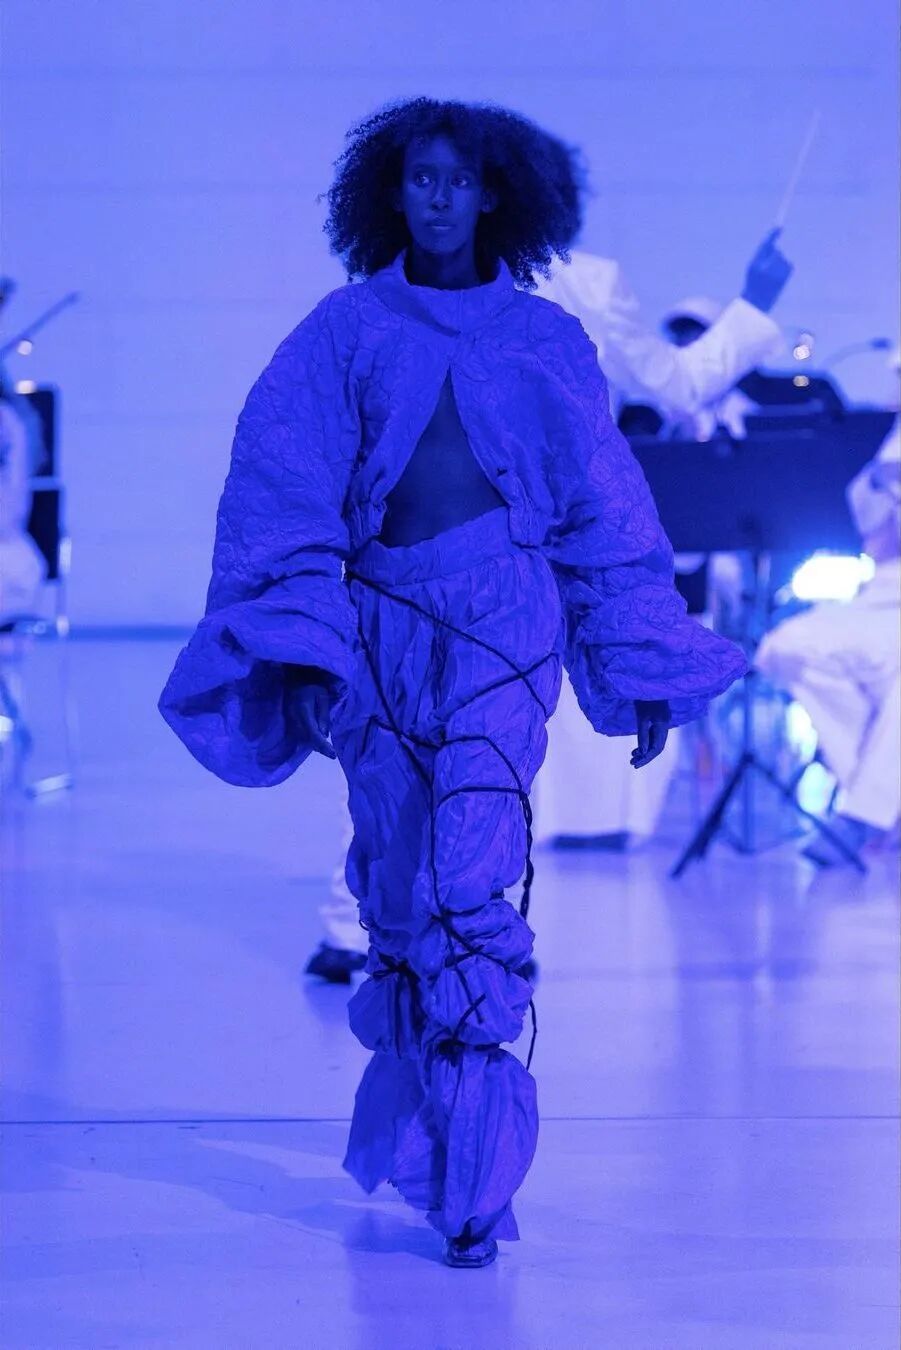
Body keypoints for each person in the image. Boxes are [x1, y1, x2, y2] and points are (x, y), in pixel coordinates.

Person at [158, 97, 747, 1268]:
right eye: (418, 177)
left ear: (492, 196)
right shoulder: (341, 334)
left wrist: (633, 666)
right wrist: (307, 657)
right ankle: (433, 1124)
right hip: (381, 631)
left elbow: (601, 510)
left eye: (457, 179)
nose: (436, 197)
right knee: (398, 893)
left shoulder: (545, 341)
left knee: (473, 874)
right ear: (390, 191)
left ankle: (476, 1175)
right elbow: (284, 497)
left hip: (503, 628)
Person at [309, 213, 793, 972]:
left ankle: (414, 929)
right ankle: (381, 925)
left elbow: (666, 388)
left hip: (504, 551)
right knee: (413, 736)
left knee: (462, 735)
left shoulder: (570, 281)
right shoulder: (434, 283)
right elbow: (672, 385)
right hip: (428, 548)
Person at [755, 392, 901, 865]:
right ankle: (879, 798)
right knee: (785, 646)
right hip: (884, 597)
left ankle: (862, 817)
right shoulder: (886, 447)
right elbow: (873, 535)